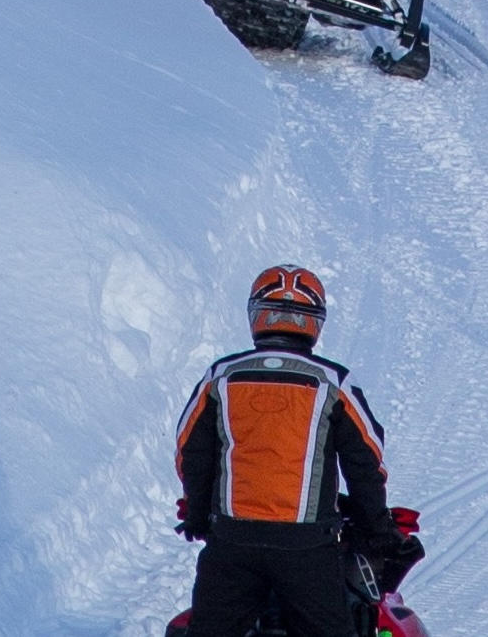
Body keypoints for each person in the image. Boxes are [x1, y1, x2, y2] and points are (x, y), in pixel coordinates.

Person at [174, 265, 409, 637]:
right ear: (315, 323)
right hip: (307, 549)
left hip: (233, 544)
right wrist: (377, 527)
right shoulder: (334, 382)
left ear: (256, 315)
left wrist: (199, 515)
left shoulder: (220, 376)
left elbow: (192, 453)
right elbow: (365, 463)